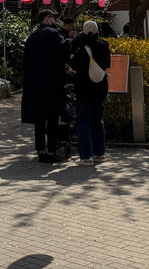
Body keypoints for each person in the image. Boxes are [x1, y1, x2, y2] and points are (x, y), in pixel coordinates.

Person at [21, 9, 70, 163]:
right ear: (47, 19)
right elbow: (65, 52)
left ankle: (40, 151)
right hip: (52, 84)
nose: (56, 21)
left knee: (39, 121)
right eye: (53, 18)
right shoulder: (53, 34)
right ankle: (51, 152)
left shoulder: (32, 37)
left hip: (35, 85)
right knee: (53, 119)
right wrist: (71, 40)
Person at [69, 20, 112, 166]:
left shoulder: (81, 50)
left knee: (84, 122)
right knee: (98, 121)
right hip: (100, 88)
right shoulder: (104, 46)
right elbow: (107, 64)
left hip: (84, 88)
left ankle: (86, 156)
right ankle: (100, 153)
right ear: (97, 31)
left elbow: (73, 65)